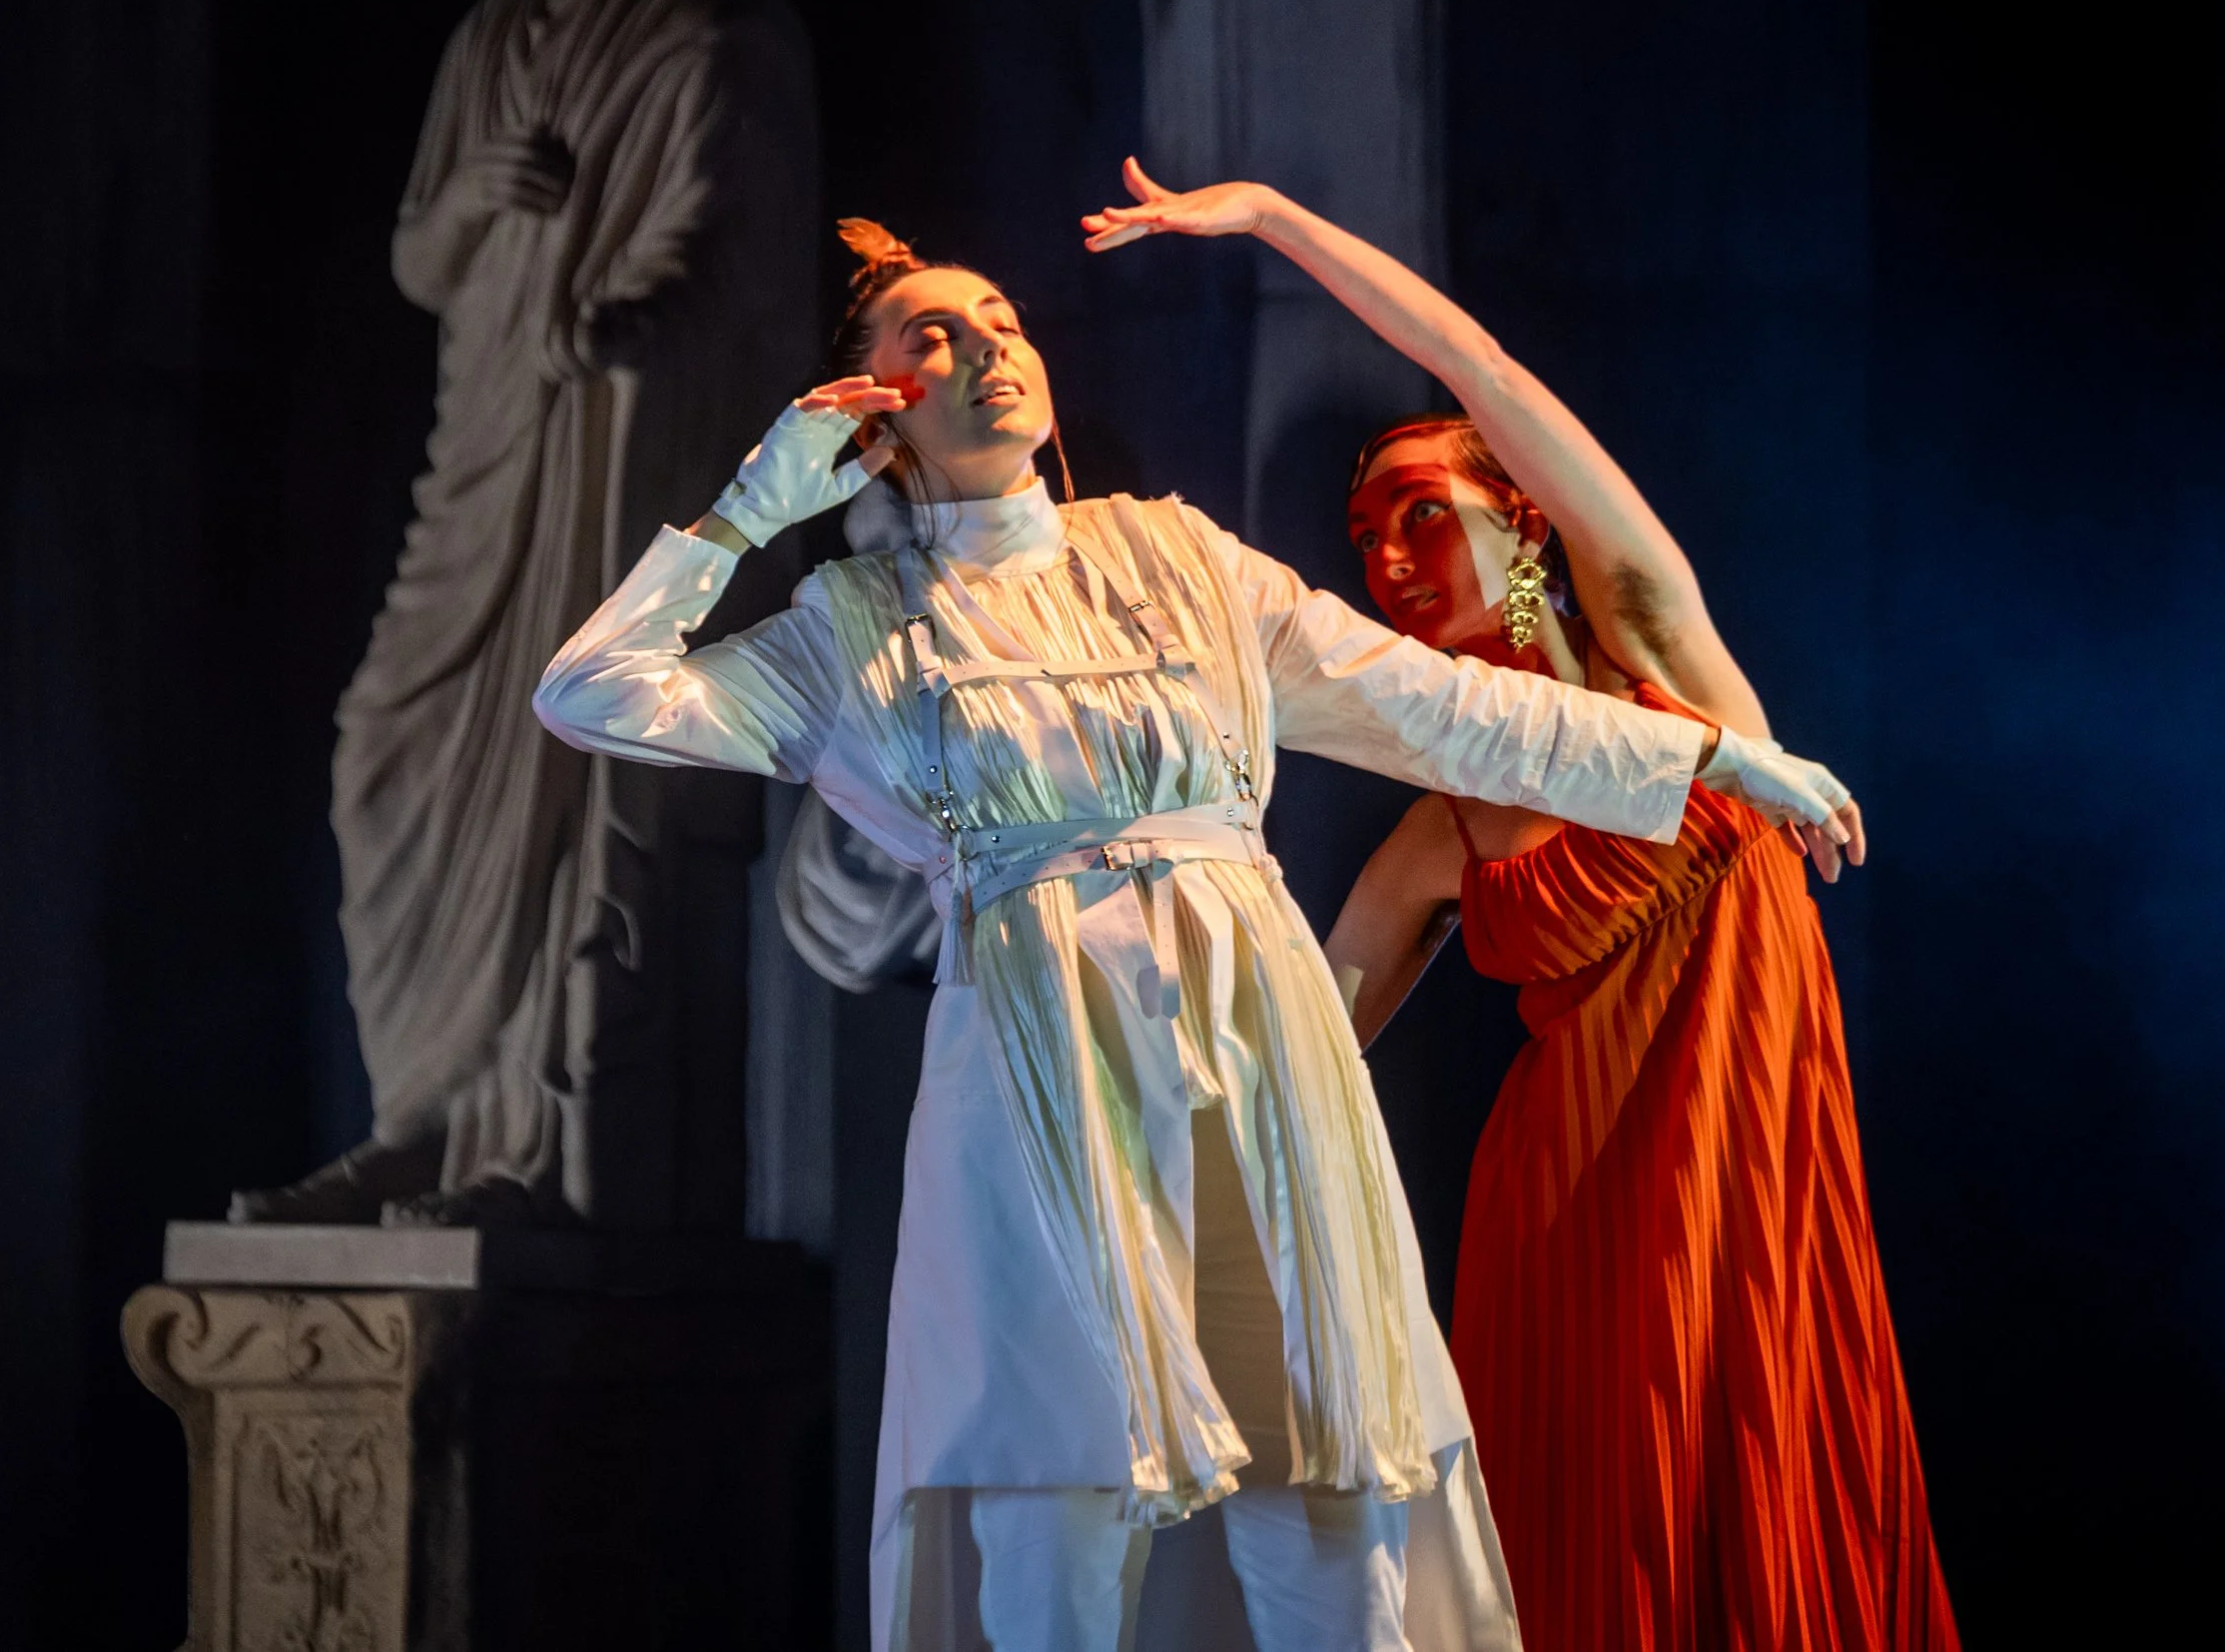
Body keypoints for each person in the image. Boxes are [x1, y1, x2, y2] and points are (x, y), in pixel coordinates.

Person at [534, 204, 1857, 1650]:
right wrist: (750, 507)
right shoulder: (851, 627)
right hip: (1040, 1085)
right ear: (870, 412)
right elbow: (593, 693)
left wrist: (1715, 757)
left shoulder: (1183, 560)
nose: (988, 345)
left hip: (1259, 1055)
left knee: (1329, 1479)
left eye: (1003, 319)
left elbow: (1451, 711)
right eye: (934, 333)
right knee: (1060, 1501)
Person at [1081, 161, 1952, 1646]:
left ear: (1529, 524)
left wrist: (1281, 225)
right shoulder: (1442, 828)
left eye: (1422, 515)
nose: (1390, 558)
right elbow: (1305, 1033)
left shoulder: (1653, 658)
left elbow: (1478, 367)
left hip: (1737, 1169)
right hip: (1564, 1212)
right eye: (1363, 541)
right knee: (1576, 1540)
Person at [232, 0, 817, 1227]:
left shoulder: (708, 39)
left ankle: (544, 1151)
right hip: (489, 461)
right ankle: (419, 1121)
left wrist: (633, 321)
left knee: (578, 773)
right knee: (383, 752)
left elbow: (731, 248)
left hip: (607, 459)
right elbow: (420, 261)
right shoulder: (488, 40)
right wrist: (470, 199)